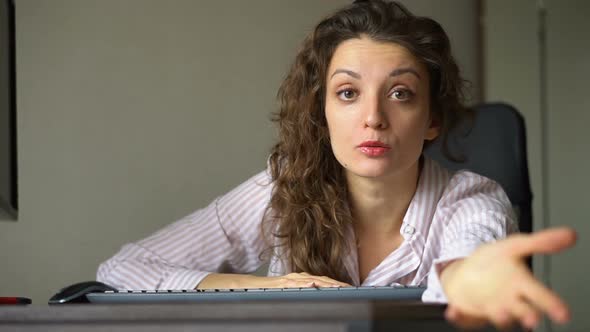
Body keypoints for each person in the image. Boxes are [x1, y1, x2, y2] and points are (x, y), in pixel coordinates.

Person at [97, 0, 576, 330]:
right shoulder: (283, 190)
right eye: (348, 93)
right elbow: (122, 270)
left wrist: (467, 279)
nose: (372, 118)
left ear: (432, 119)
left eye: (400, 94)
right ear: (322, 113)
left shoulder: (474, 198)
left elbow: (470, 258)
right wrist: (265, 288)